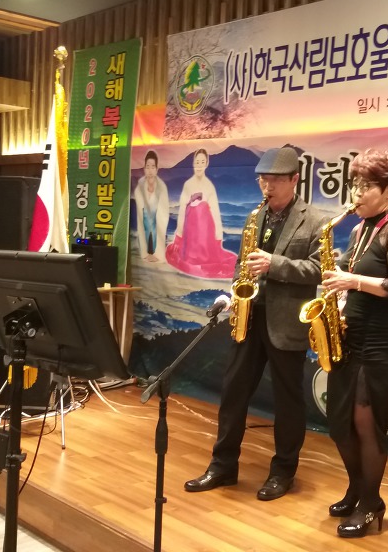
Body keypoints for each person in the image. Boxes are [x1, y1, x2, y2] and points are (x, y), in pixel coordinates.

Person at [184, 146, 328, 501]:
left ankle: (283, 472)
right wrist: (237, 290)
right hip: (249, 318)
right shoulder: (255, 216)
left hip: (287, 322)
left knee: (288, 401)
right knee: (233, 393)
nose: (268, 187)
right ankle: (222, 465)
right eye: (263, 180)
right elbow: (241, 263)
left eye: (276, 180)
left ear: (295, 179)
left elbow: (320, 270)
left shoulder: (315, 220)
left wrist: (274, 264)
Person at [320, 149, 388, 538]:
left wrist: (355, 282)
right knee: (338, 422)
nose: (356, 194)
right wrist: (337, 291)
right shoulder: (358, 231)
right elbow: (349, 278)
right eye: (354, 185)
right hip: (351, 334)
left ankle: (370, 502)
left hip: (381, 339)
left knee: (365, 421)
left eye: (365, 187)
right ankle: (357, 488)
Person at [164, 148, 237, 278]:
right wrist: (178, 237)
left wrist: (218, 236)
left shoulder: (209, 186)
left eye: (202, 162)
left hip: (205, 235)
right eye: (197, 162)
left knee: (202, 207)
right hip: (189, 235)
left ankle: (203, 252)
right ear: (193, 163)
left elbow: (215, 213)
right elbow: (182, 211)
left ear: (207, 164)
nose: (199, 165)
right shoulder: (188, 185)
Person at [133, 150, 169, 262]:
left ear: (157, 169)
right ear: (144, 168)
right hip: (144, 217)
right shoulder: (140, 186)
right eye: (147, 167)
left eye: (153, 167)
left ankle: (156, 253)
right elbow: (139, 208)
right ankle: (145, 252)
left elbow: (164, 210)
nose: (150, 170)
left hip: (157, 220)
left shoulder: (162, 187)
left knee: (154, 226)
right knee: (145, 225)